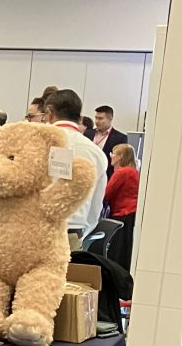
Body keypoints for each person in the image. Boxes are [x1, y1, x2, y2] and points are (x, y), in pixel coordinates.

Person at [42, 87, 107, 240]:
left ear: (49, 113)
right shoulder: (96, 152)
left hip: (36, 230)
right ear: (79, 118)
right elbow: (96, 205)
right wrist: (81, 234)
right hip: (73, 232)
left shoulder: (36, 143)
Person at [105, 143, 139, 270]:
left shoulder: (122, 172)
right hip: (131, 214)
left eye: (113, 154)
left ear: (120, 157)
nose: (111, 156)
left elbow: (106, 194)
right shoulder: (134, 171)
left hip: (121, 214)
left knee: (116, 252)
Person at [93, 105, 128, 176]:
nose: (97, 121)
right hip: (88, 173)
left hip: (106, 175)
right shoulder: (88, 133)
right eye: (96, 118)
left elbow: (120, 163)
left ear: (110, 119)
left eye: (100, 118)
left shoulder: (120, 138)